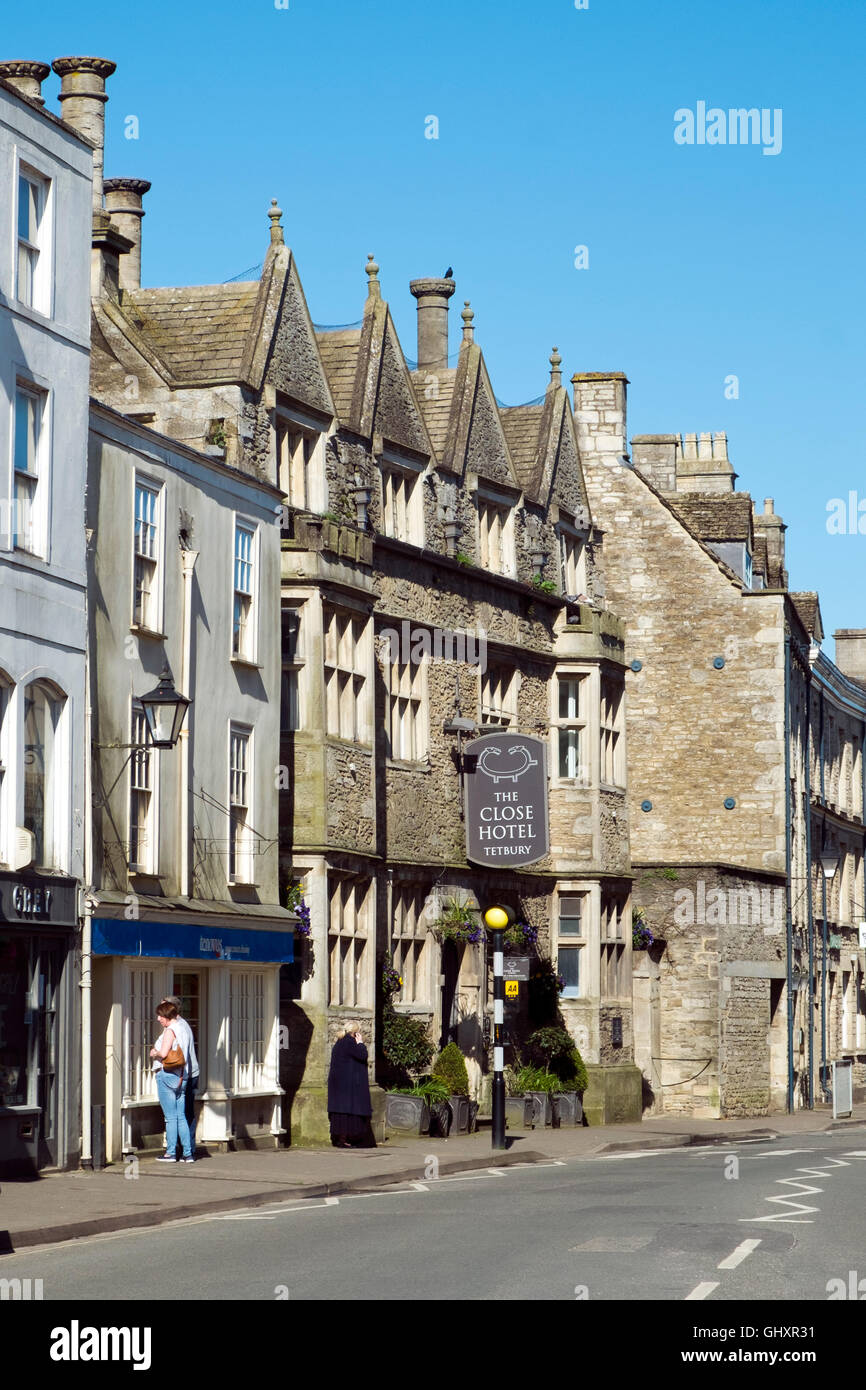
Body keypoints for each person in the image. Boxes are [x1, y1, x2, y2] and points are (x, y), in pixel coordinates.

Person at [150, 1000, 194, 1163]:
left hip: (167, 1075)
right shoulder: (184, 1027)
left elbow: (163, 1053)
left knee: (170, 1117)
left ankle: (170, 1153)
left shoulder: (170, 1030)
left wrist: (154, 1053)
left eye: (160, 1015)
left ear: (167, 1015)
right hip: (183, 1076)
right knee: (181, 1116)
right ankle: (188, 1154)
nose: (158, 1019)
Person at [162, 995, 199, 1158]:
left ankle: (185, 1149)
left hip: (183, 1074)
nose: (160, 1014)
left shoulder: (177, 1027)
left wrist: (158, 1054)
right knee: (182, 1114)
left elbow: (177, 1054)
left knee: (182, 1114)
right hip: (186, 1073)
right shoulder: (180, 1026)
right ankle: (186, 1150)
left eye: (163, 1008)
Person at [327, 1021, 374, 1148]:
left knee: (342, 1114)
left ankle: (341, 1139)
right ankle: (346, 1139)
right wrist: (360, 1043)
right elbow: (362, 1055)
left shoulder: (339, 1043)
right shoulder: (350, 1042)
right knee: (349, 1113)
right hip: (349, 1086)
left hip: (339, 1085)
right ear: (355, 1033)